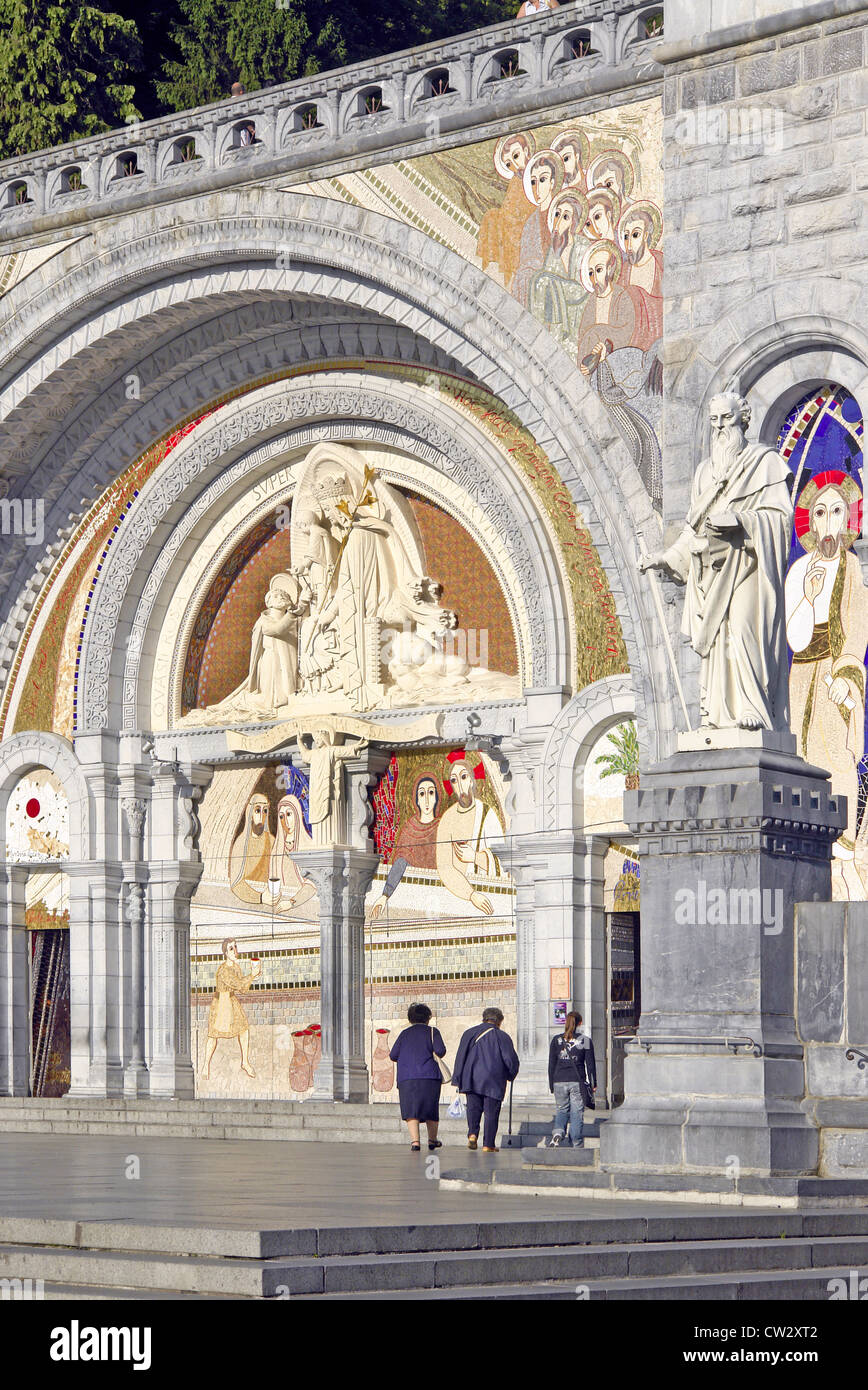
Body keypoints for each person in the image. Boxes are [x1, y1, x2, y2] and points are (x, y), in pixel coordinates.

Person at [451, 1007, 520, 1152]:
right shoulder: (503, 1037)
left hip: (471, 1077)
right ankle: (488, 1144)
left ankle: (472, 1134)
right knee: (491, 1112)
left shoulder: (469, 1033)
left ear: (484, 1018)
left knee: (473, 1108)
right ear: (499, 1021)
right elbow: (510, 1059)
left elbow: (460, 1056)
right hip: (494, 1079)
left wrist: (458, 1078)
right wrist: (511, 1075)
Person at [389, 1002, 448, 1152]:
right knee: (430, 1108)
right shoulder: (432, 1032)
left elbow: (393, 1055)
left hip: (407, 1077)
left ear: (410, 1018)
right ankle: (432, 1140)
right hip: (429, 1076)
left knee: (411, 1109)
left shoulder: (404, 1034)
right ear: (428, 1018)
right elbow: (440, 1051)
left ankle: (415, 1142)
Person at [547, 1011, 596, 1147]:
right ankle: (575, 1141)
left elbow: (551, 1064)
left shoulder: (556, 1040)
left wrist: (552, 1083)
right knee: (576, 1112)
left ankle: (558, 1132)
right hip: (576, 1081)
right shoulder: (584, 1040)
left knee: (561, 1109)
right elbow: (590, 1065)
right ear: (579, 1023)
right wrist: (593, 1083)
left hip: (559, 1080)